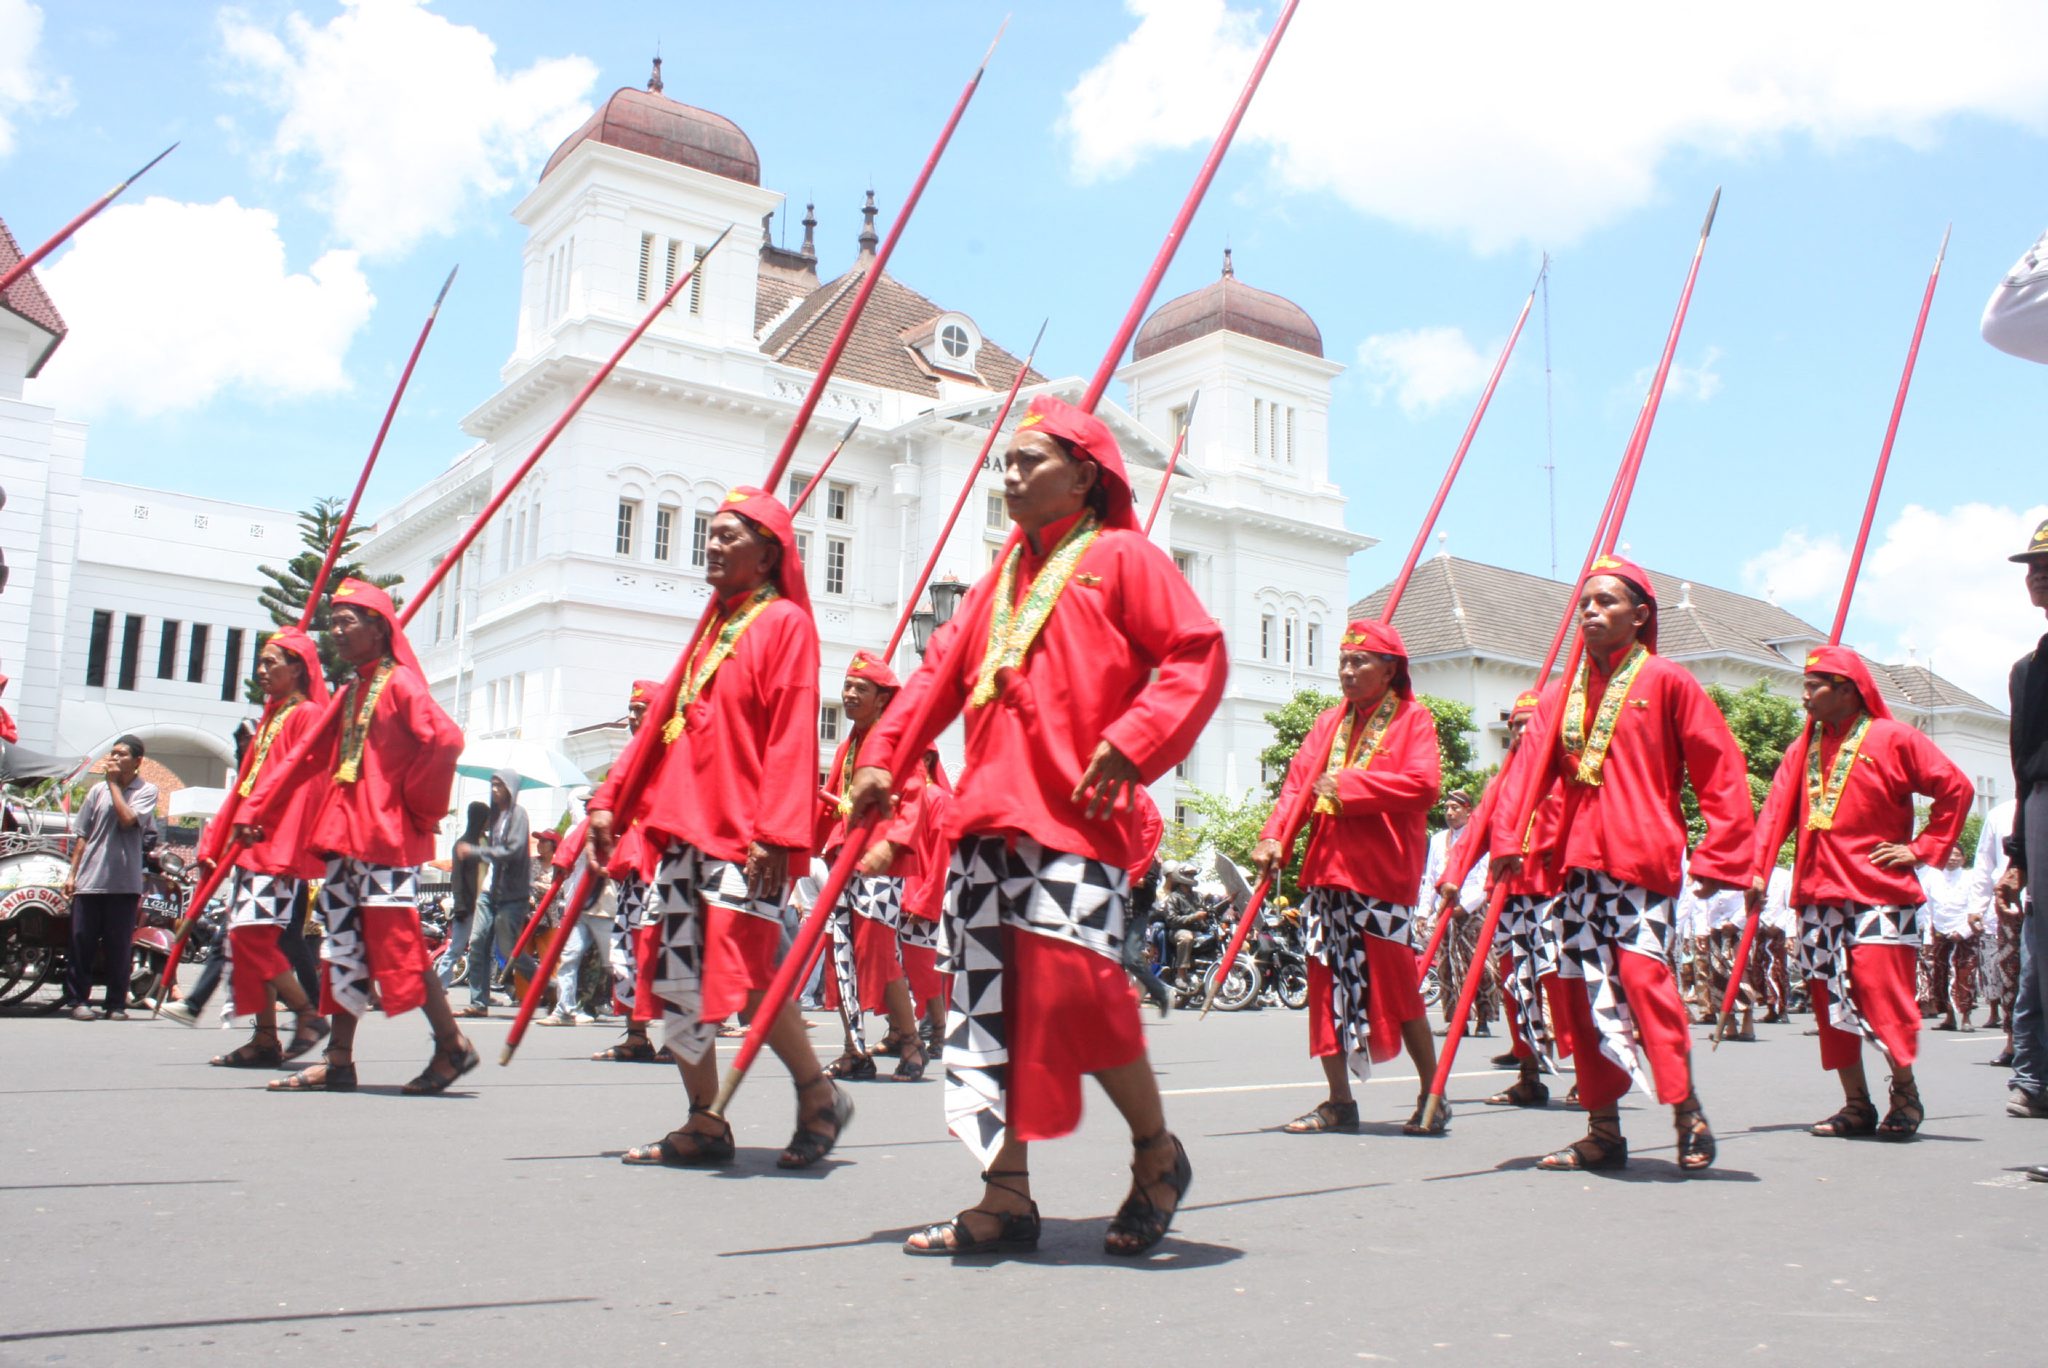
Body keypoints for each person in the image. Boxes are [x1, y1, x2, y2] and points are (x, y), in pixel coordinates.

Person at [849, 393, 1227, 1257]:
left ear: (1085, 476)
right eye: (1005, 466)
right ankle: (1005, 1193)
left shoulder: (1125, 558)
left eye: (1030, 463)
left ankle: (1156, 1155)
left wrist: (1134, 743)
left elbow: (1196, 655)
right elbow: (934, 677)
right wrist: (884, 756)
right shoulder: (997, 581)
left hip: (1077, 819)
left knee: (1077, 998)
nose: (1011, 477)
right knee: (989, 1012)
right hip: (987, 821)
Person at [587, 487, 842, 1170]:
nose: (714, 542)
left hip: (745, 831)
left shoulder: (784, 622)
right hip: (681, 825)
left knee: (747, 971)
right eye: (712, 532)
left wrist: (777, 830)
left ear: (767, 554)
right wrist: (611, 800)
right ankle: (704, 1120)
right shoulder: (711, 626)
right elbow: (661, 726)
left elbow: (793, 734)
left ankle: (818, 1094)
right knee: (676, 976)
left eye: (730, 535)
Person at [1494, 555, 1755, 1173]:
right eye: (1585, 602)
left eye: (1606, 602)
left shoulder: (1668, 680)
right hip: (1578, 867)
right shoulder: (1559, 694)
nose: (1591, 612)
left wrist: (1724, 853)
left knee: (1643, 987)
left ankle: (1685, 1109)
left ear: (1640, 616)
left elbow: (1720, 769)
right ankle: (1603, 1131)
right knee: (1582, 995)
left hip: (1642, 863)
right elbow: (1526, 772)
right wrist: (1508, 836)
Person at [237, 578, 473, 1094]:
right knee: (341, 946)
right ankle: (339, 1059)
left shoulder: (402, 684)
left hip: (385, 838)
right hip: (344, 836)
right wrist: (256, 806)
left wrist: (414, 802)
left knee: (399, 945)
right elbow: (306, 760)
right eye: (333, 622)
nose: (336, 631)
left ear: (379, 629)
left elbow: (447, 739)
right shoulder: (352, 689)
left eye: (347, 622)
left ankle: (453, 1045)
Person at [1752, 647, 1971, 1141]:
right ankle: (1855, 1104)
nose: (1804, 695)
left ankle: (1905, 1093)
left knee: (1880, 995)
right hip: (1817, 894)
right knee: (1830, 1002)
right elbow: (1773, 818)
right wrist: (1757, 872)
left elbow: (1955, 788)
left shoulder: (1895, 738)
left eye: (1815, 686)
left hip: (1881, 892)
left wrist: (1922, 848)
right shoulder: (1800, 749)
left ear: (1848, 689)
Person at [1256, 620, 1444, 1137]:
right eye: (1343, 661)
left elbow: (1423, 785)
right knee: (1324, 986)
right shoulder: (1326, 724)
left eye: (1360, 661)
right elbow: (1296, 788)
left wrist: (1348, 786)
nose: (1347, 670)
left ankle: (1433, 1093)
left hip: (1380, 873)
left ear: (1390, 669)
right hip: (1326, 871)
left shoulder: (1414, 719)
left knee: (1398, 987)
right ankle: (1339, 1101)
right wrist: (1275, 836)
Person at [193, 631, 331, 1066]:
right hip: (251, 846)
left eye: (271, 662)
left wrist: (273, 832)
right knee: (247, 938)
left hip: (275, 846)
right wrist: (219, 836)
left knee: (249, 935)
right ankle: (267, 1038)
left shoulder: (307, 714)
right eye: (261, 662)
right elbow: (247, 785)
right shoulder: (274, 716)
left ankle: (307, 1014)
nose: (261, 671)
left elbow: (305, 786)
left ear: (297, 669)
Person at [1439, 689, 1574, 1106]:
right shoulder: (1502, 781)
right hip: (1509, 898)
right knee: (1516, 983)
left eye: (1527, 724)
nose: (1519, 731)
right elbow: (1477, 831)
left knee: (1562, 985)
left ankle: (1589, 1075)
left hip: (1554, 896)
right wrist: (1452, 876)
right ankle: (1528, 1074)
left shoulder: (1564, 774)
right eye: (1513, 725)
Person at [815, 650, 936, 1082]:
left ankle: (911, 1042)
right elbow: (831, 804)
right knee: (841, 954)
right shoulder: (849, 744)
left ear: (884, 699)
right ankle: (854, 1050)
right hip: (844, 861)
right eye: (847, 686)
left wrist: (893, 844)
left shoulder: (896, 741)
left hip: (879, 864)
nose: (848, 694)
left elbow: (915, 797)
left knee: (879, 955)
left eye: (860, 689)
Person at [1991, 518, 2048, 1178]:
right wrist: (2016, 857)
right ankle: (2036, 1080)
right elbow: (2020, 765)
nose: (2036, 573)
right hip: (2041, 813)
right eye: (2031, 564)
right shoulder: (2027, 671)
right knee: (2043, 961)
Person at [589, 682, 668, 1060]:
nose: (633, 717)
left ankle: (678, 1040)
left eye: (642, 709)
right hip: (634, 870)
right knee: (628, 949)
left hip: (666, 868)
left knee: (666, 952)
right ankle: (636, 1035)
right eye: (631, 709)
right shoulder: (627, 758)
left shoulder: (673, 752)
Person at [60, 735, 159, 1019]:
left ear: (138, 761)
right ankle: (78, 1000)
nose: (114, 759)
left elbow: (128, 819)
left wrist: (114, 784)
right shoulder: (97, 792)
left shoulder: (146, 790)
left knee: (118, 947)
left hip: (124, 883)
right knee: (82, 943)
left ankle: (115, 1004)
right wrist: (72, 873)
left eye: (122, 755)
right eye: (112, 754)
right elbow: (83, 835)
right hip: (90, 880)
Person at [462, 768, 534, 1016]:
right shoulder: (495, 817)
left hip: (511, 895)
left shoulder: (518, 815)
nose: (494, 790)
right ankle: (478, 1002)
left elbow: (513, 851)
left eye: (499, 785)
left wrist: (477, 852)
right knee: (478, 942)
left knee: (507, 949)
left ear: (510, 789)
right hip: (489, 892)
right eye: (492, 785)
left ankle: (543, 983)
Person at [1426, 790, 1496, 1039]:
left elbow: (1482, 876)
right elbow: (1431, 877)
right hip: (1445, 911)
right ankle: (1457, 1020)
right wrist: (1425, 912)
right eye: (1447, 808)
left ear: (1468, 811)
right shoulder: (1437, 840)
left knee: (1477, 966)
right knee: (1447, 966)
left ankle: (1483, 1020)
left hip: (1471, 910)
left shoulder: (1479, 837)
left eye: (1456, 808)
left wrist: (1464, 907)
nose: (1450, 813)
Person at [1919, 844, 1980, 1032]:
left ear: (1963, 858)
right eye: (1949, 855)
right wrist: (1929, 937)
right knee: (1941, 976)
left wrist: (1962, 931)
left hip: (1964, 934)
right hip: (1940, 934)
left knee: (1964, 976)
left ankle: (1966, 1017)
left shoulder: (1971, 877)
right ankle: (1949, 1017)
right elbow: (1927, 909)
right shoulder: (1932, 877)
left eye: (1957, 855)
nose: (1952, 858)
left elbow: (1976, 906)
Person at [436, 801, 489, 987]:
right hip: (467, 905)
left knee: (481, 951)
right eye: (486, 818)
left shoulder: (485, 843)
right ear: (480, 819)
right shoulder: (463, 844)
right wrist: (460, 904)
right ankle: (439, 986)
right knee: (456, 948)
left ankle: (481, 992)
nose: (489, 823)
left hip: (484, 904)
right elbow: (457, 878)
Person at [1158, 863, 1206, 991]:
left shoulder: (1199, 896)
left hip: (1198, 931)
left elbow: (1209, 912)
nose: (1192, 877)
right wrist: (1194, 917)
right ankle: (1181, 974)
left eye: (1193, 874)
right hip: (1177, 931)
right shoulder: (1173, 898)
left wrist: (1228, 901)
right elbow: (1172, 920)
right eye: (1188, 874)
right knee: (1186, 937)